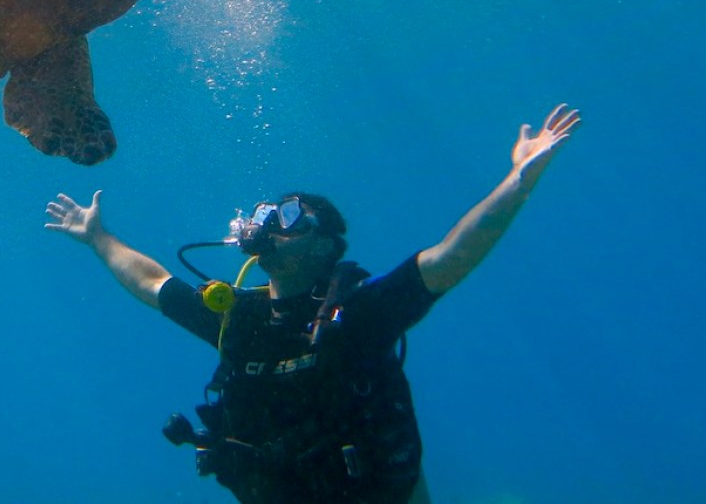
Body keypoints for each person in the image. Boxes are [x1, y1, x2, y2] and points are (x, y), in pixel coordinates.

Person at [45, 104, 581, 504]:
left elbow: (449, 257)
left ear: (325, 245)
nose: (272, 225)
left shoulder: (361, 313)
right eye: (268, 215)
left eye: (292, 217)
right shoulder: (240, 319)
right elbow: (153, 282)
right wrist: (99, 239)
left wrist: (519, 179)